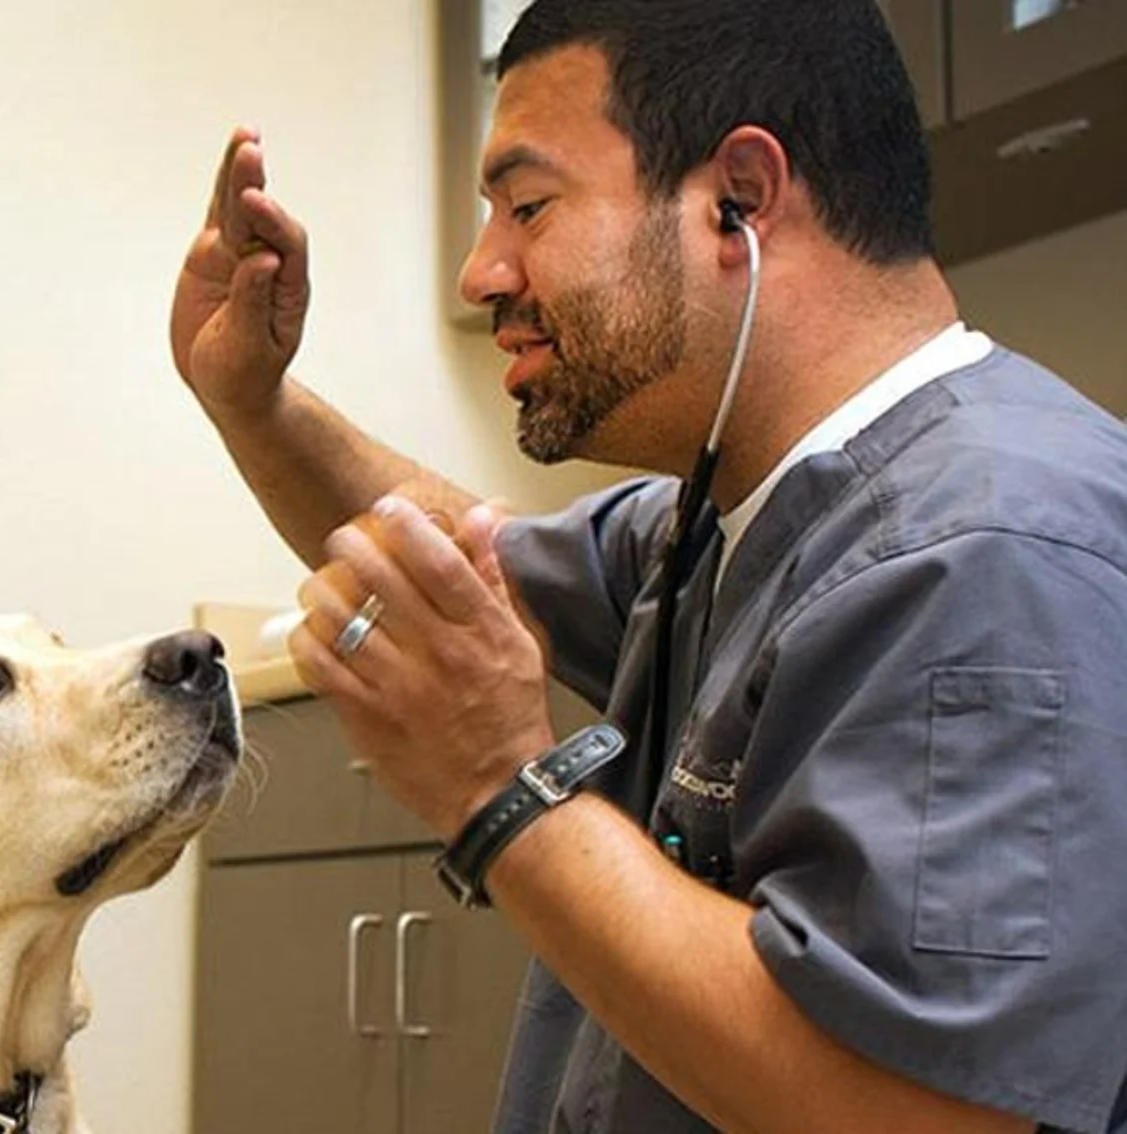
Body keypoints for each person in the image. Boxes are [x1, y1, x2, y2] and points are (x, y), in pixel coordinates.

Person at [168, 1, 1127, 1131]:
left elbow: (921, 1113)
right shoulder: (729, 523)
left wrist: (501, 790)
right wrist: (253, 403)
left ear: (742, 200)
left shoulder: (990, 555)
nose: (483, 273)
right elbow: (470, 560)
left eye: (527, 206)